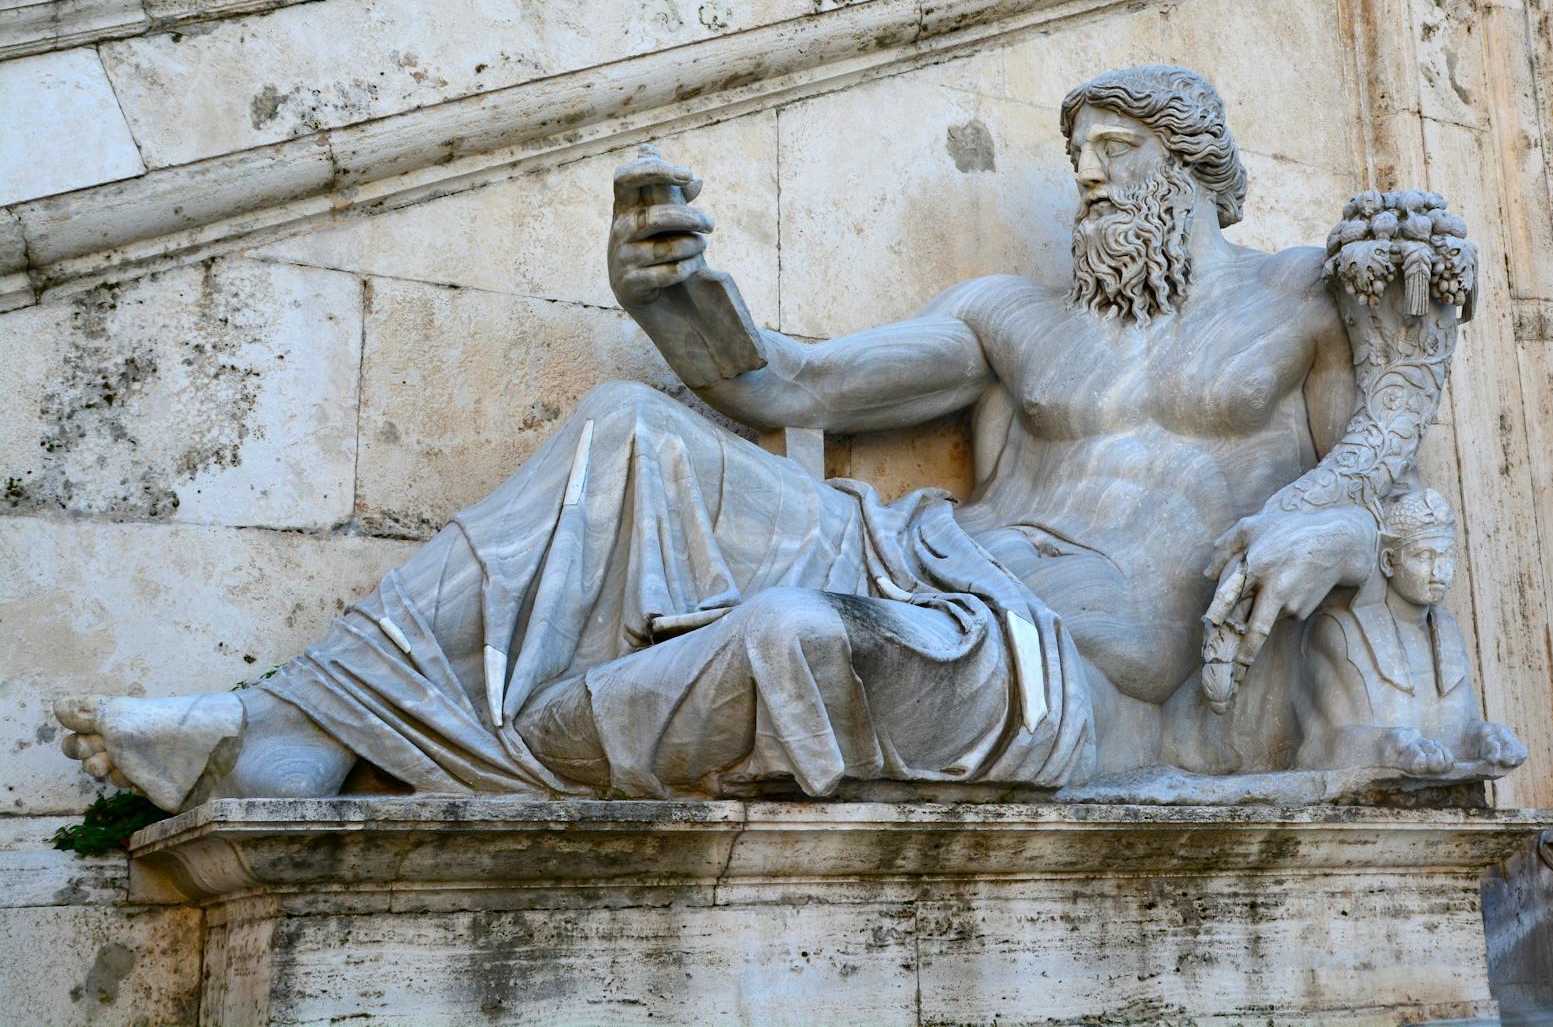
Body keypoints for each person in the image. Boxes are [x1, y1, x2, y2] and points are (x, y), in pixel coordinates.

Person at [54, 66, 1398, 810]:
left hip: (1061, 652)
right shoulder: (1014, 318)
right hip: (929, 555)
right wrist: (676, 297)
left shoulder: (1302, 300)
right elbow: (788, 387)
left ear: (1193, 161)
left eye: (1115, 147)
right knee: (631, 426)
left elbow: (1383, 444)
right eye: (1079, 150)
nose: (1090, 174)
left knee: (796, 630)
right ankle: (295, 723)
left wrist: (1332, 513)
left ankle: (418, 738)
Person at [1292, 484, 1527, 775]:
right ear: (1388, 561)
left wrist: (1483, 736)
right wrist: (1389, 746)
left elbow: (1448, 731)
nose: (1439, 572)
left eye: (1446, 556)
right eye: (1425, 557)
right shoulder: (1340, 630)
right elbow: (1322, 747)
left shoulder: (1448, 630)